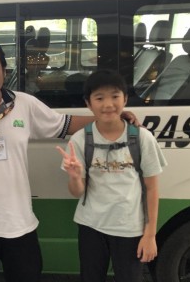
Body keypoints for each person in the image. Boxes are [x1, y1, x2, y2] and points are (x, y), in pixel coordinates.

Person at [0, 36, 139, 282]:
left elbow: (65, 125)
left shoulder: (23, 104)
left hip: (19, 224)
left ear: (4, 70)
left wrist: (110, 119)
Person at [56, 70, 167, 282]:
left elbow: (152, 188)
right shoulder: (80, 139)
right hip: (90, 226)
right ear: (88, 104)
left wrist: (150, 234)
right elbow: (77, 192)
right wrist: (75, 177)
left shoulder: (142, 138)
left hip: (129, 228)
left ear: (125, 99)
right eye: (99, 98)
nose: (108, 104)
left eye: (115, 96)